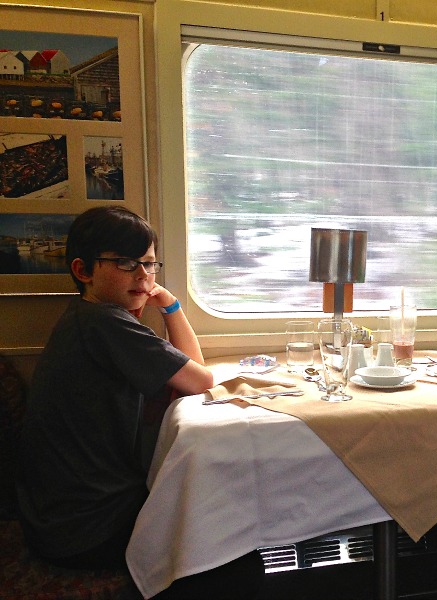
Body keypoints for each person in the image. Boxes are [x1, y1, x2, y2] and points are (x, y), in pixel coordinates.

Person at [15, 206, 263, 599]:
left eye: (149, 264)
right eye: (127, 263)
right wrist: (169, 308)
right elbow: (200, 379)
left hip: (59, 518)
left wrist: (168, 304)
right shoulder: (106, 322)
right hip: (85, 528)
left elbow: (192, 372)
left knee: (222, 520)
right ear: (84, 271)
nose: (144, 276)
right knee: (234, 545)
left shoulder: (89, 317)